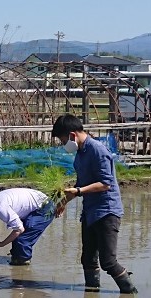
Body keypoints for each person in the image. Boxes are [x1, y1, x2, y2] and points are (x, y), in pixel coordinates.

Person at [52, 114, 138, 294]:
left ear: (73, 135)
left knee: (108, 261)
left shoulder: (98, 150)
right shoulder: (80, 155)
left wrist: (79, 191)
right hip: (91, 211)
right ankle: (91, 292)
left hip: (107, 211)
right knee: (88, 259)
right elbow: (80, 184)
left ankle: (130, 292)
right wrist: (63, 202)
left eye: (63, 140)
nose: (63, 144)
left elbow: (105, 183)